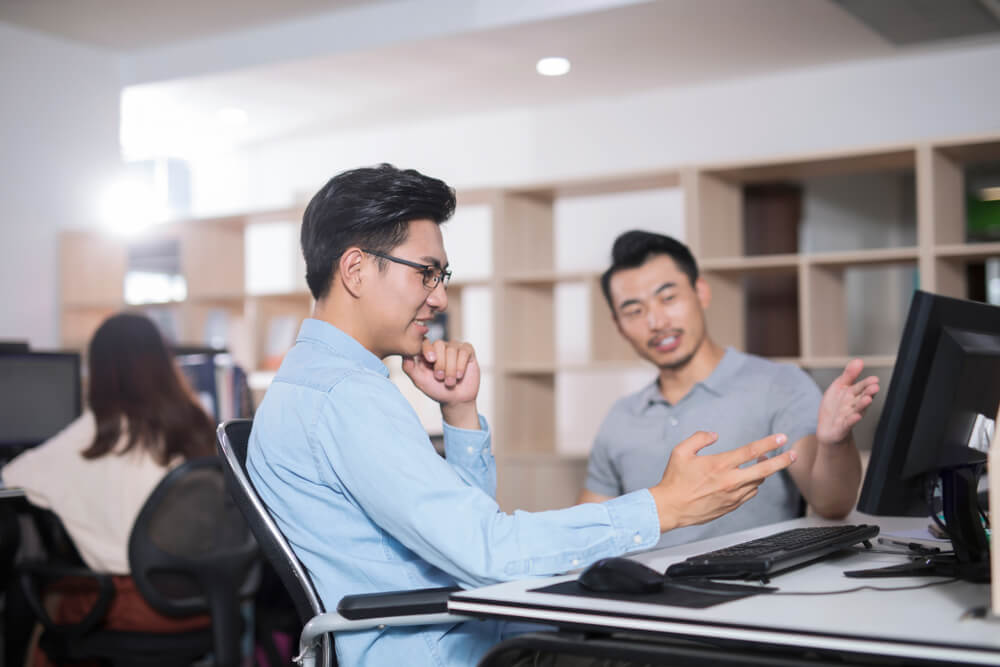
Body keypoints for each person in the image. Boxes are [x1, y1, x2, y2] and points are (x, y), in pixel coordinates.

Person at [247, 163, 797, 667]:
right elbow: (489, 555)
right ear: (356, 269)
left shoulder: (320, 382)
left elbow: (464, 535)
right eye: (427, 272)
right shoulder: (344, 396)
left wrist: (460, 414)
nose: (439, 298)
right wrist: (663, 507)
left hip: (470, 634)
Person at [578, 230, 880, 548]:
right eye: (634, 311)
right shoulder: (620, 417)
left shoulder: (779, 384)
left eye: (668, 298)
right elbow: (585, 535)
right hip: (639, 592)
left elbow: (833, 504)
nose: (656, 321)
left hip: (752, 590)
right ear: (618, 326)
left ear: (701, 292)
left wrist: (835, 443)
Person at [2, 313, 216, 666]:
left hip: (134, 606)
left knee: (34, 587)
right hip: (206, 602)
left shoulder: (93, 435)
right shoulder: (198, 426)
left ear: (99, 371)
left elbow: (13, 475)